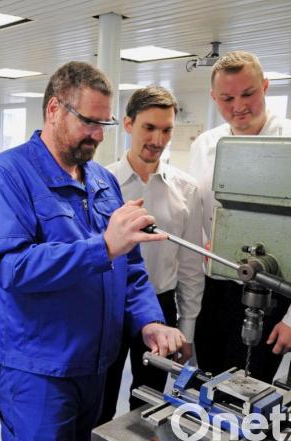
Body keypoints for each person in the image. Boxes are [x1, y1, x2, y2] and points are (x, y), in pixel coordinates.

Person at [0, 61, 187, 441]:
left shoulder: (101, 180)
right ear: (54, 109)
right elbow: (13, 267)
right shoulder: (8, 174)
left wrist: (148, 321)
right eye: (89, 121)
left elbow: (132, 270)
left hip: (96, 369)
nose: (96, 136)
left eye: (104, 124)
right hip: (40, 375)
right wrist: (102, 247)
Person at [187, 51, 291, 381]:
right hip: (215, 291)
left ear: (266, 87)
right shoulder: (205, 145)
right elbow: (198, 223)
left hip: (282, 294)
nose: (238, 106)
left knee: (253, 391)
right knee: (208, 381)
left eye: (248, 94)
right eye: (227, 98)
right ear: (214, 97)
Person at [98, 86, 204, 423]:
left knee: (150, 407)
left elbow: (190, 268)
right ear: (128, 125)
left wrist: (186, 329)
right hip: (111, 308)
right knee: (99, 403)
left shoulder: (187, 190)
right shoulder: (101, 184)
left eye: (166, 129)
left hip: (161, 308)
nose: (157, 139)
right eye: (149, 127)